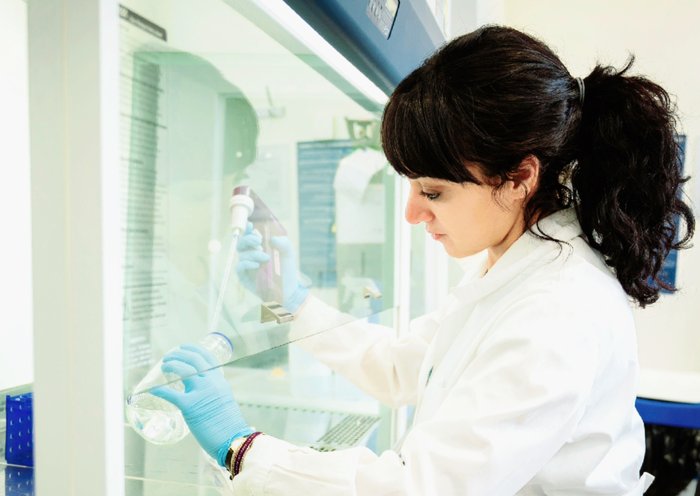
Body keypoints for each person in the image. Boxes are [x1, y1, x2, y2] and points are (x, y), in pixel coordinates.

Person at [151, 25, 695, 495]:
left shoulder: (556, 309)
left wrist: (240, 447)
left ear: (519, 177)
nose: (413, 214)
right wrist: (291, 299)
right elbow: (402, 368)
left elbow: (422, 489)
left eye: (433, 192)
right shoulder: (513, 265)